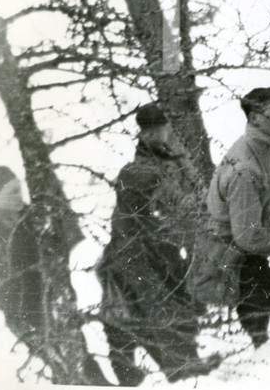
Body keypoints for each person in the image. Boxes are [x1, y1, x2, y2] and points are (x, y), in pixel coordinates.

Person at [97, 103, 221, 385]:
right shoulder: (142, 172)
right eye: (155, 129)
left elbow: (182, 193)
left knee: (159, 308)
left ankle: (182, 365)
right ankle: (179, 368)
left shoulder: (163, 156)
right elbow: (165, 204)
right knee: (161, 307)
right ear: (148, 131)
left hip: (154, 245)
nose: (162, 133)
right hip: (140, 255)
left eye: (162, 128)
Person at [196, 88, 270, 353]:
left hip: (240, 252)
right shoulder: (246, 168)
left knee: (265, 293)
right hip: (227, 260)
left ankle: (263, 345)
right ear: (254, 119)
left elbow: (265, 205)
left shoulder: (260, 148)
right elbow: (248, 236)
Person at [0, 167, 109, 386]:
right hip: (26, 316)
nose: (20, 197)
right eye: (12, 192)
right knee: (65, 365)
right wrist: (26, 289)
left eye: (19, 190)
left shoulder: (32, 218)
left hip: (58, 299)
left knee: (81, 358)